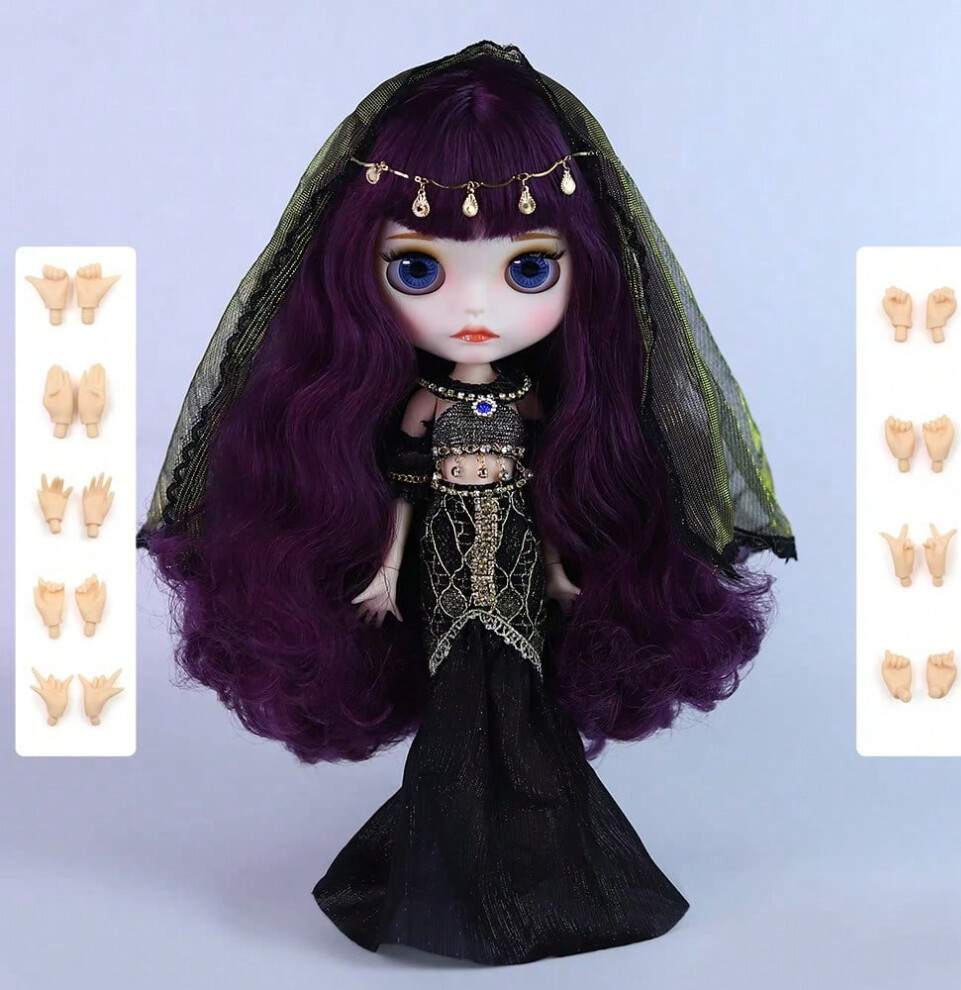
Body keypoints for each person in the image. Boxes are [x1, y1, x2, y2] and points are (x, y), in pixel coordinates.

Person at [138, 40, 796, 965]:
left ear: (587, 268)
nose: (475, 310)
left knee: (523, 711)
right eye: (419, 269)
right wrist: (384, 573)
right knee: (460, 712)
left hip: (520, 567)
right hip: (446, 572)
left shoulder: (532, 403)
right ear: (357, 275)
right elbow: (404, 495)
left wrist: (563, 567)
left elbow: (551, 489)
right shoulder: (422, 406)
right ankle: (452, 873)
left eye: (529, 269)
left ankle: (537, 865)